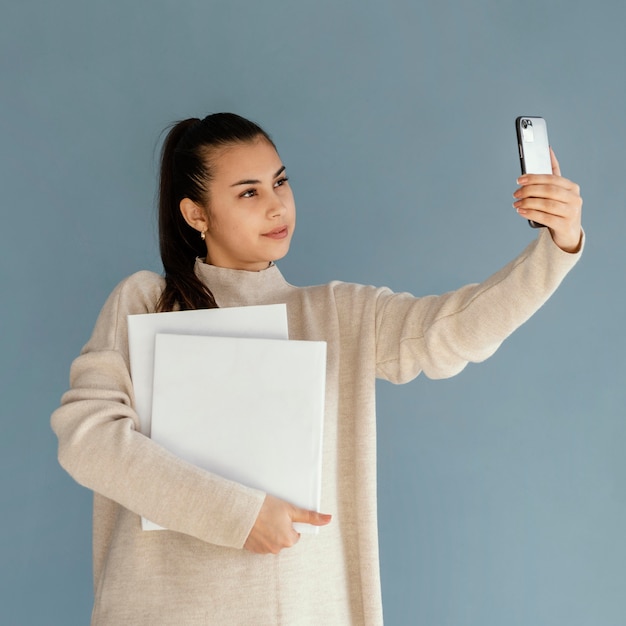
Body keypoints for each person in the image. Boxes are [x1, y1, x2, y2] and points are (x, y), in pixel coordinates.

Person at [51, 112, 583, 625]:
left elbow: (451, 331)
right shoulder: (147, 302)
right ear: (196, 214)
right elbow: (87, 438)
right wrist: (238, 515)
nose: (277, 205)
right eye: (249, 192)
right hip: (161, 611)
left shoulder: (336, 314)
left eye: (280, 183)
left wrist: (557, 246)